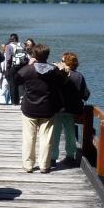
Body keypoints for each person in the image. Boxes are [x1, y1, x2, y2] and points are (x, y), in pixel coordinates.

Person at [17, 43, 66, 174]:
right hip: (48, 109)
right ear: (47, 55)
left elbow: (14, 78)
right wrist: (61, 68)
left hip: (29, 108)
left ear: (34, 55)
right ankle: (44, 165)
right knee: (46, 138)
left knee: (29, 138)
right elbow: (63, 81)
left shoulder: (28, 70)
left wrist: (28, 64)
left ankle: (28, 165)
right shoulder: (53, 70)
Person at [50, 51, 90, 166]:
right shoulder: (79, 76)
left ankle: (53, 158)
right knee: (70, 133)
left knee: (55, 133)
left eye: (62, 61)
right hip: (72, 110)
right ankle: (70, 156)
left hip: (58, 108)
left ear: (66, 62)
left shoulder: (57, 74)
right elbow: (85, 95)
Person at [4, 32, 27, 106]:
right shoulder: (22, 44)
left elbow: (8, 59)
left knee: (13, 85)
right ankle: (23, 100)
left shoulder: (8, 46)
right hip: (23, 66)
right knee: (22, 84)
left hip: (14, 67)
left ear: (11, 38)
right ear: (17, 38)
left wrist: (7, 69)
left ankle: (14, 102)